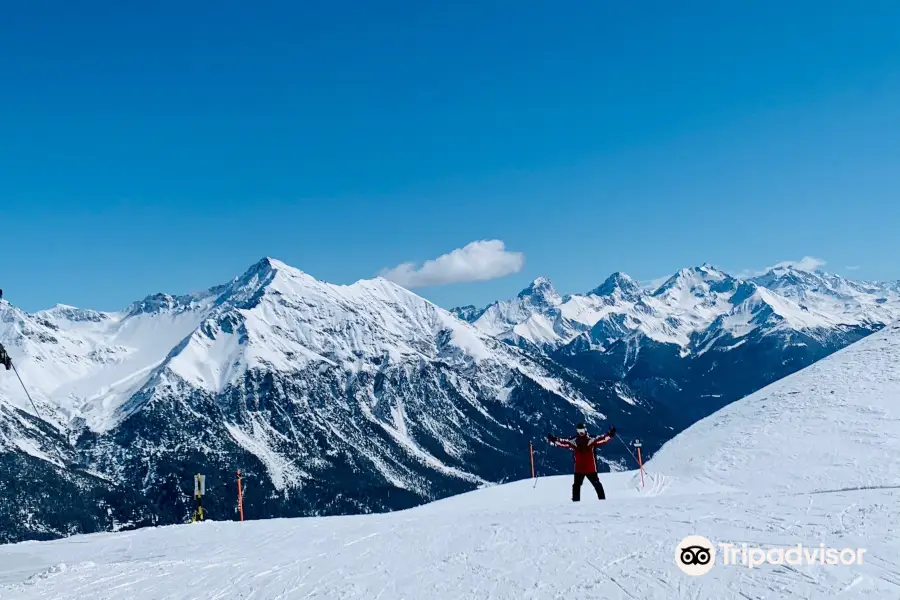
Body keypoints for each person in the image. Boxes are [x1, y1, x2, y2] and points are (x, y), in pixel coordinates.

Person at [547, 423, 616, 501]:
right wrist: (554, 440)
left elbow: (602, 439)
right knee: (577, 486)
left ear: (585, 430)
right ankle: (576, 502)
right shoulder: (574, 441)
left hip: (590, 468)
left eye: (582, 430)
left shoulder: (590, 440)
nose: (581, 432)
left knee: (596, 484)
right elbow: (564, 443)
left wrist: (610, 434)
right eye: (579, 430)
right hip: (579, 469)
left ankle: (602, 501)